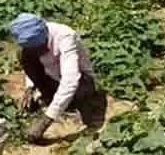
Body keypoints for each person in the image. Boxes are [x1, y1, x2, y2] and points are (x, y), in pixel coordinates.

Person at [9, 13, 107, 144]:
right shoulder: (33, 42)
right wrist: (30, 87)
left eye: (38, 48)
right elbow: (32, 61)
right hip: (53, 78)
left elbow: (70, 81)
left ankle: (86, 114)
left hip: (81, 81)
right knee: (23, 55)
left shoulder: (65, 37)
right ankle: (55, 101)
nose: (38, 53)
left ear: (44, 38)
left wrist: (46, 120)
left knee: (80, 90)